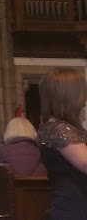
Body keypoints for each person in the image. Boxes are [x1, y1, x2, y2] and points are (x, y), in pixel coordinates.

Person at [36, 68, 87, 219]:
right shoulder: (59, 129)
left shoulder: (59, 127)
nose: (85, 97)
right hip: (73, 210)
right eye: (82, 91)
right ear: (70, 95)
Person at [0, 117, 46, 191]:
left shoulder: (1, 152)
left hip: (8, 197)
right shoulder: (44, 152)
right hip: (40, 196)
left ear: (8, 132)